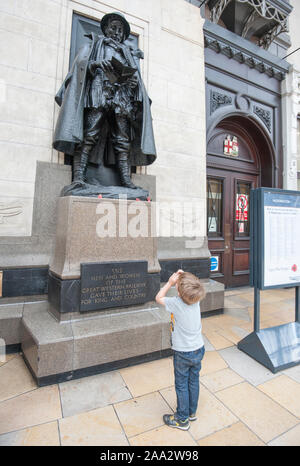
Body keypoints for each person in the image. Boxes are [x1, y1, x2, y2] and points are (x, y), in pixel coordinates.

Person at [53, 12, 156, 191]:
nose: (116, 32)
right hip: (99, 93)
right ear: (106, 29)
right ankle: (78, 177)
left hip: (121, 99)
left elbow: (135, 79)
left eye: (120, 30)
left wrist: (132, 83)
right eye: (113, 28)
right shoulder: (94, 45)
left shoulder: (127, 53)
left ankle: (125, 180)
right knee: (89, 134)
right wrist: (97, 65)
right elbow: (81, 66)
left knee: (122, 140)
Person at [156, 270, 206, 430]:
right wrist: (184, 277)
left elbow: (158, 298)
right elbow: (191, 286)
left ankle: (182, 419)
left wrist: (170, 282)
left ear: (178, 291)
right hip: (198, 349)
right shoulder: (195, 300)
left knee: (181, 384)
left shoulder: (176, 303)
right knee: (193, 380)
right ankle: (192, 412)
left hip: (183, 353)